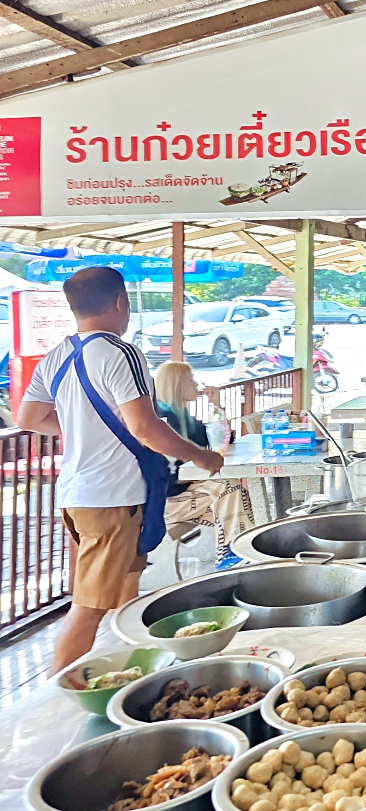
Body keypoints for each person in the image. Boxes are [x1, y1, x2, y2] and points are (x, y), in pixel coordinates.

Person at [17, 267, 224, 672]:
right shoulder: (120, 352)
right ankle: (58, 702)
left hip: (78, 494)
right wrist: (201, 456)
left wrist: (83, 430)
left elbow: (29, 417)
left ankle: (128, 671)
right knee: (89, 606)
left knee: (127, 588)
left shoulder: (57, 355)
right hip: (112, 498)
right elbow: (146, 428)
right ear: (120, 303)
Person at [155, 362, 255, 564]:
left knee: (240, 498)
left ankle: (238, 551)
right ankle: (231, 553)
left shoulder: (184, 418)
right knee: (229, 489)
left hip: (187, 492)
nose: (196, 384)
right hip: (166, 502)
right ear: (179, 384)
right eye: (191, 379)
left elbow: (221, 440)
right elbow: (166, 476)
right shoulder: (164, 419)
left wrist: (217, 406)